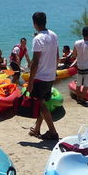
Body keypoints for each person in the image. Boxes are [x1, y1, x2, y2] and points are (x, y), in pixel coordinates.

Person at [27, 12, 59, 140]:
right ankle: (37, 129)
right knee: (42, 103)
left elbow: (35, 63)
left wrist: (30, 82)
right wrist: (54, 71)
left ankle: (52, 131)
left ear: (34, 23)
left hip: (40, 77)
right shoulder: (54, 35)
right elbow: (57, 55)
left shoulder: (38, 39)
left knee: (40, 105)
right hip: (50, 75)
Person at [70, 27, 88, 105]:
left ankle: (77, 98)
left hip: (80, 66)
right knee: (86, 85)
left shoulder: (77, 43)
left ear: (82, 33)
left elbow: (74, 55)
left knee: (79, 83)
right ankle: (81, 99)